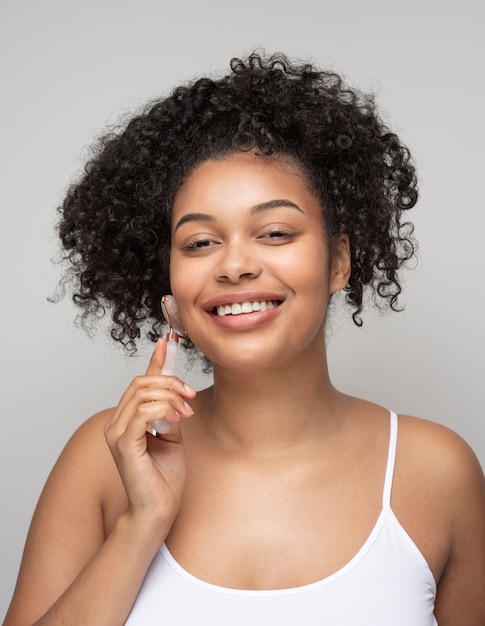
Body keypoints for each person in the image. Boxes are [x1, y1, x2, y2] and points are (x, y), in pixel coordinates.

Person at [4, 52, 485, 626]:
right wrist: (141, 525)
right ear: (172, 287)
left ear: (338, 261)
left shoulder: (436, 471)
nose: (234, 266)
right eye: (200, 242)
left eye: (275, 232)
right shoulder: (103, 459)